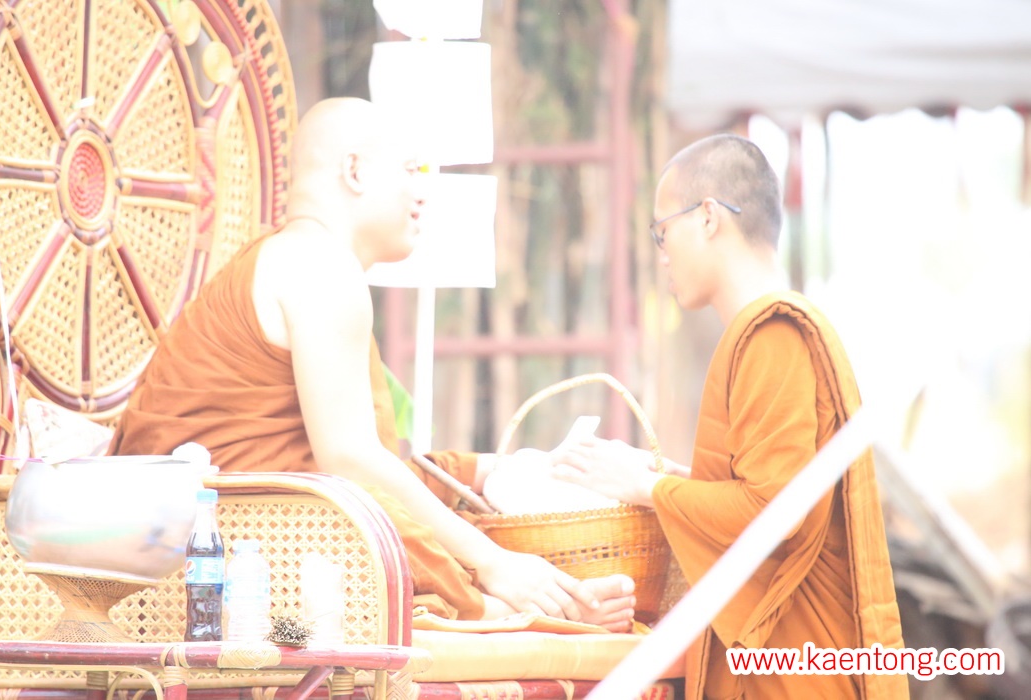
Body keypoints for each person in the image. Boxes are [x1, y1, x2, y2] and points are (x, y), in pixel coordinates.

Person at [108, 97, 636, 631]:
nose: (423, 192)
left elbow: (335, 458)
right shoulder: (320, 266)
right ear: (355, 171)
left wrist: (485, 469)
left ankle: (524, 601)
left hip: (220, 527)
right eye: (410, 170)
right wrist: (494, 564)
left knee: (415, 513)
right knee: (393, 540)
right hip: (234, 545)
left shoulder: (294, 258)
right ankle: (511, 610)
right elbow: (348, 461)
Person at [551, 135, 908, 697]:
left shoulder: (773, 334)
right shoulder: (762, 332)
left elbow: (773, 512)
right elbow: (768, 489)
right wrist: (669, 477)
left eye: (662, 232)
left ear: (708, 217)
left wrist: (649, 488)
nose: (662, 255)